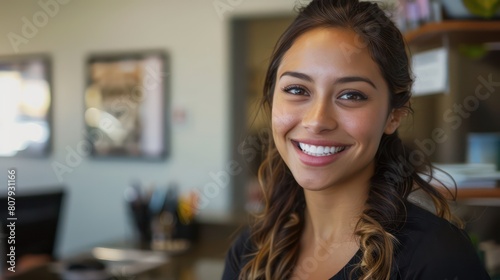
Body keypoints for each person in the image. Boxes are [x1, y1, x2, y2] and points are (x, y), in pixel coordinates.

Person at [222, 0, 492, 279]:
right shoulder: (250, 251)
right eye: (297, 89)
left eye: (351, 95)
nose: (316, 120)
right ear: (271, 99)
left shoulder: (437, 258)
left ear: (394, 115)